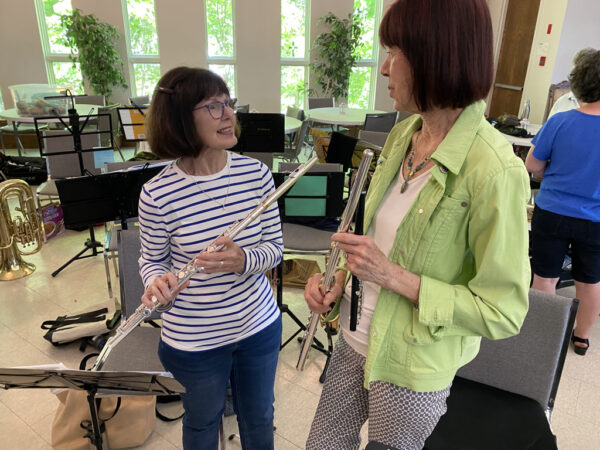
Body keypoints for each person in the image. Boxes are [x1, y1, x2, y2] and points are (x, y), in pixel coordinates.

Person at [303, 1, 531, 448]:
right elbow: (375, 242)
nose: (384, 68)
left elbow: (503, 311)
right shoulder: (403, 136)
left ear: (436, 55)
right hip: (353, 337)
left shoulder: (494, 171)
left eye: (395, 52)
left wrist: (393, 276)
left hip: (412, 367)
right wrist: (338, 281)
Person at [137, 67, 283, 449]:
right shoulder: (157, 194)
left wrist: (243, 260)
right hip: (194, 338)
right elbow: (152, 259)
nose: (229, 114)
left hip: (258, 326)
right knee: (202, 423)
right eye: (214, 107)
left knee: (260, 418)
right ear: (181, 118)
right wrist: (156, 282)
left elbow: (275, 248)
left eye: (228, 103)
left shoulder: (256, 174)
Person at [526, 48, 600, 356]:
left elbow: (532, 165)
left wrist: (555, 170)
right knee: (590, 281)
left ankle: (542, 336)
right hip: (595, 219)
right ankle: (581, 337)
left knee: (545, 276)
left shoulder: (560, 121)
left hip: (553, 211)